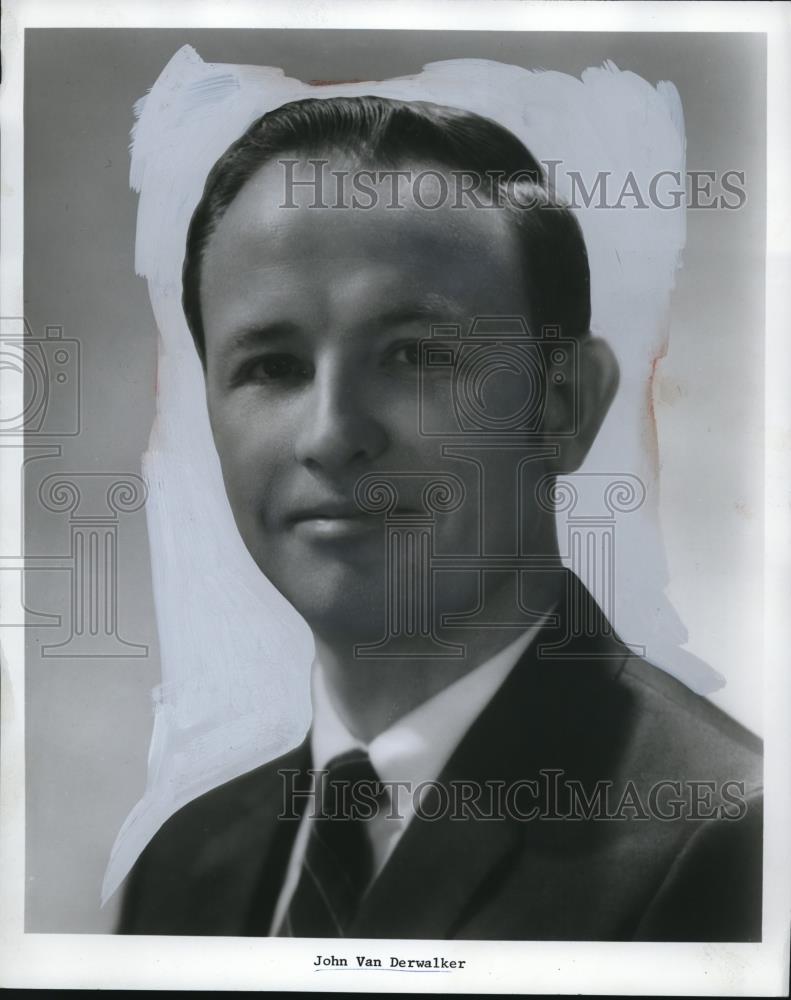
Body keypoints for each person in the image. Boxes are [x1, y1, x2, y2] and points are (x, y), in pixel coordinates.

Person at [117, 96, 762, 941]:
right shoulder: (183, 865)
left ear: (561, 404)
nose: (331, 436)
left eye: (417, 356)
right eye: (272, 366)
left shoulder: (734, 840)